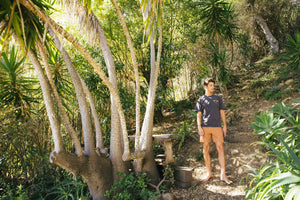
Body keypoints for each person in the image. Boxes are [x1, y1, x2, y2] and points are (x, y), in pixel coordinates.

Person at [195, 78, 232, 184]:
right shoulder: (201, 100)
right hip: (205, 127)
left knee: (220, 148)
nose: (213, 87)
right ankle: (209, 173)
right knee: (205, 149)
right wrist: (199, 127)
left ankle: (223, 174)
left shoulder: (218, 98)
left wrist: (224, 126)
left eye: (213, 85)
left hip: (217, 127)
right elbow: (198, 115)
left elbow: (222, 113)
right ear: (205, 87)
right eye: (210, 85)